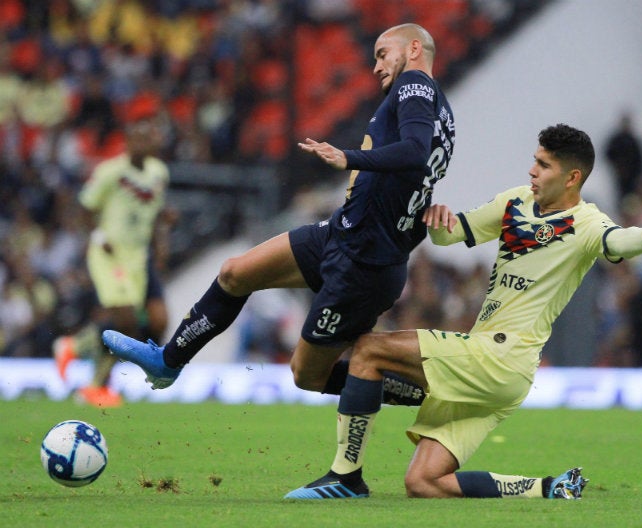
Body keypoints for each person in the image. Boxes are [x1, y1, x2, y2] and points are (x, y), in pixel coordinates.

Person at [285, 124, 642, 500]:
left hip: (500, 358)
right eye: (534, 159)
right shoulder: (515, 202)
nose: (532, 170)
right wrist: (437, 216)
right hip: (499, 371)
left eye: (544, 164)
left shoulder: (586, 222)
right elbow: (449, 235)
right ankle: (551, 488)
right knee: (423, 483)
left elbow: (616, 241)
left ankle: (345, 478)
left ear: (572, 178)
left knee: (370, 350)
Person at [102, 23, 455, 406]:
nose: (375, 66)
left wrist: (347, 157)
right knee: (235, 273)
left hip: (363, 260)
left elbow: (415, 153)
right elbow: (415, 177)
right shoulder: (443, 113)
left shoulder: (414, 86)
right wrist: (423, 212)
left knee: (307, 374)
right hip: (341, 234)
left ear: (415, 48)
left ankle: (428, 390)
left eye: (382, 54)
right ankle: (167, 362)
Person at [53, 103, 172, 408]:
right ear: (128, 141)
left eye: (151, 137)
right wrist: (99, 235)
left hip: (138, 255)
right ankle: (93, 377)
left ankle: (78, 353)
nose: (146, 143)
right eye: (139, 137)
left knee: (150, 323)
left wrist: (161, 243)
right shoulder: (110, 172)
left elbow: (155, 214)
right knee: (126, 319)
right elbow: (85, 207)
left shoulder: (159, 173)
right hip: (110, 253)